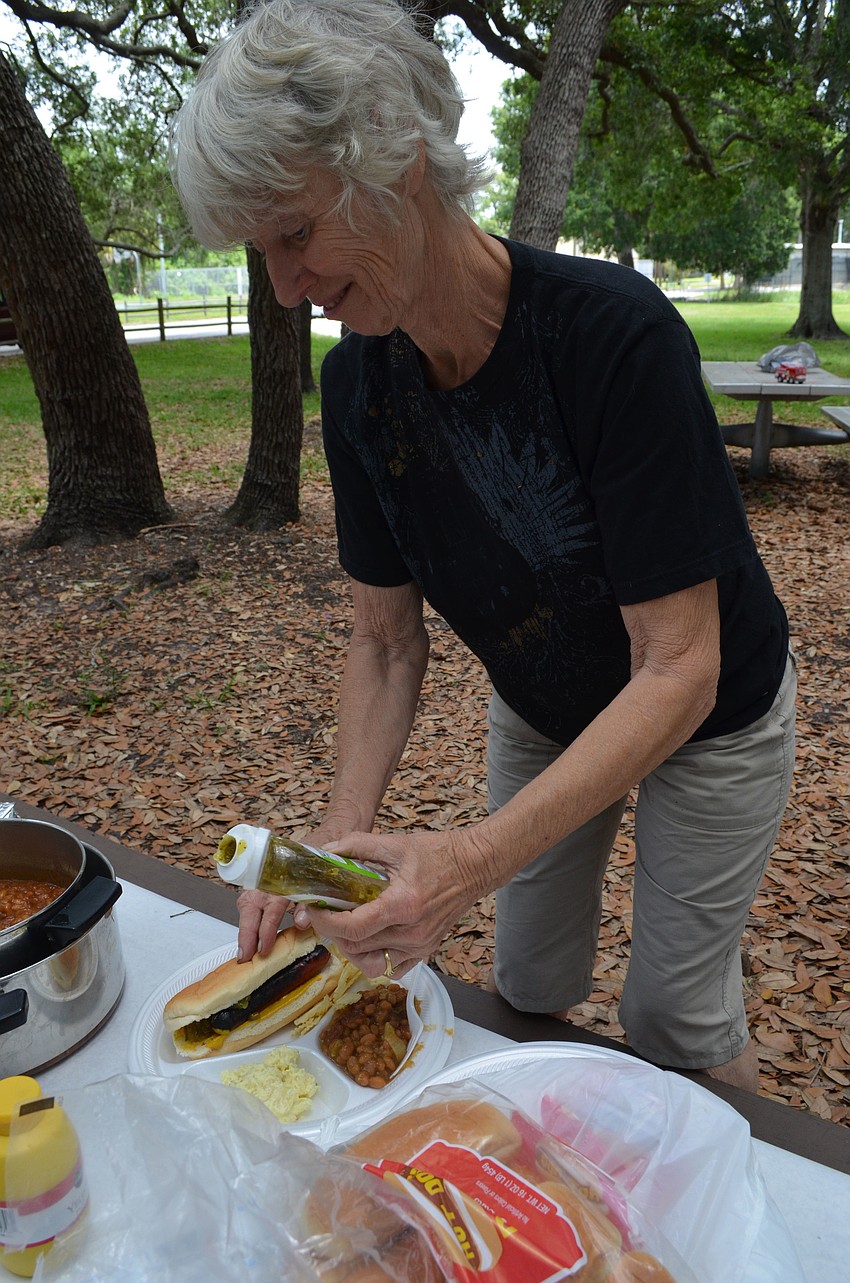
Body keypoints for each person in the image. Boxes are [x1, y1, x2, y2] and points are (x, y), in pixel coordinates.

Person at [170, 0, 795, 1092]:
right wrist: (329, 847)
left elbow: (678, 664)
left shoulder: (613, 336)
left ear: (398, 157)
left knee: (674, 1017)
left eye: (296, 233)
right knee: (527, 976)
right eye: (260, 250)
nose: (283, 287)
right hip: (549, 704)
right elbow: (383, 643)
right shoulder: (356, 384)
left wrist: (465, 858)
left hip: (709, 708)